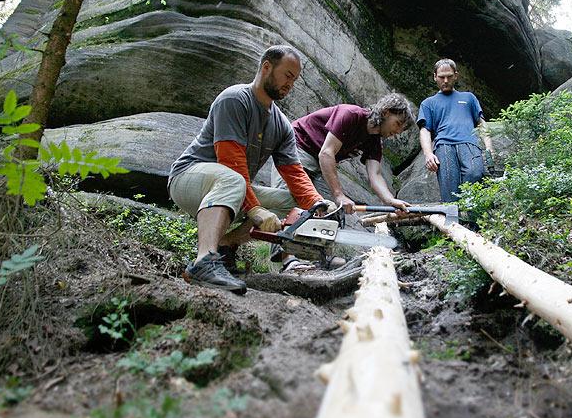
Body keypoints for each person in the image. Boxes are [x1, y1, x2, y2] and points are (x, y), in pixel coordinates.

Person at [168, 45, 335, 293]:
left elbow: (294, 172)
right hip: (187, 179)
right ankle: (204, 262)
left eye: (294, 80)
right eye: (287, 76)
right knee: (233, 179)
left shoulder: (282, 125)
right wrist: (255, 209)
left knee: (294, 204)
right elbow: (230, 161)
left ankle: (224, 246)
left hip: (232, 187)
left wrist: (317, 204)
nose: (290, 85)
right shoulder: (235, 99)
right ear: (267, 67)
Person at [279, 93, 415, 214]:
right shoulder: (351, 114)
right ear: (386, 112)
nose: (398, 132)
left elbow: (375, 175)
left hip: (319, 163)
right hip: (298, 146)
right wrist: (339, 195)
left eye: (401, 130)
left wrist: (391, 200)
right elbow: (326, 153)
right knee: (289, 202)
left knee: (329, 210)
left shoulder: (374, 141)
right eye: (398, 124)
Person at [417, 58, 495, 202]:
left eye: (449, 76)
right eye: (441, 77)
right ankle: (453, 215)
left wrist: (489, 147)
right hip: (444, 146)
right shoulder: (428, 103)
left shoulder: (469, 98)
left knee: (475, 173)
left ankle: (473, 215)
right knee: (449, 187)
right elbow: (425, 130)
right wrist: (428, 154)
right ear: (435, 77)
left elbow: (481, 123)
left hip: (469, 143)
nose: (445, 80)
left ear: (456, 76)